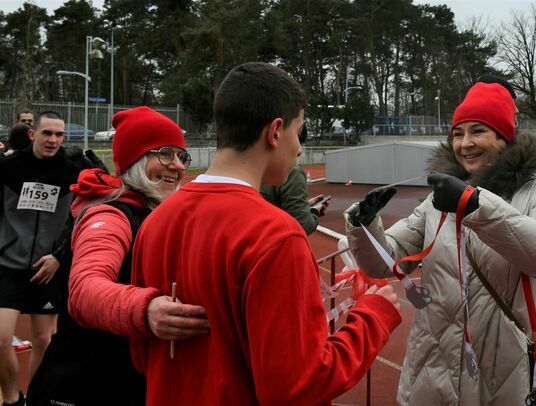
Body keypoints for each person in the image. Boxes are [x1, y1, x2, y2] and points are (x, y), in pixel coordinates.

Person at [130, 62, 402, 405]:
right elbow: (296, 386)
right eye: (298, 132)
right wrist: (372, 316)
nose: (300, 149)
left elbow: (143, 356)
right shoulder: (276, 235)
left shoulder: (155, 221)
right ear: (275, 132)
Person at [344, 82, 536, 405]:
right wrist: (365, 226)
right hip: (431, 378)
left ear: (504, 136)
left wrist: (474, 205)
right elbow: (386, 261)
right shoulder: (439, 198)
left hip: (504, 382)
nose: (465, 144)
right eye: (458, 133)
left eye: (478, 131)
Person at [26, 106, 210, 406]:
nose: (177, 166)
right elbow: (85, 290)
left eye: (181, 156)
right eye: (164, 154)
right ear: (135, 160)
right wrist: (146, 309)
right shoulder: (111, 214)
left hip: (122, 383)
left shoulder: (154, 213)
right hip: (81, 387)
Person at [0, 111, 81, 406]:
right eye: (47, 133)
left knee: (44, 341)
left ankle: (35, 398)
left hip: (47, 268)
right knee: (1, 339)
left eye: (59, 135)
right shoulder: (8, 168)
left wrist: (59, 257)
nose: (53, 140)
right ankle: (11, 398)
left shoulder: (72, 173)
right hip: (8, 264)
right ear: (33, 134)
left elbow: (78, 220)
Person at [260, 126, 329, 234]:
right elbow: (302, 225)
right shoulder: (292, 173)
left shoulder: (249, 172)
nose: (300, 150)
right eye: (297, 138)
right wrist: (314, 212)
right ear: (274, 135)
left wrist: (301, 206)